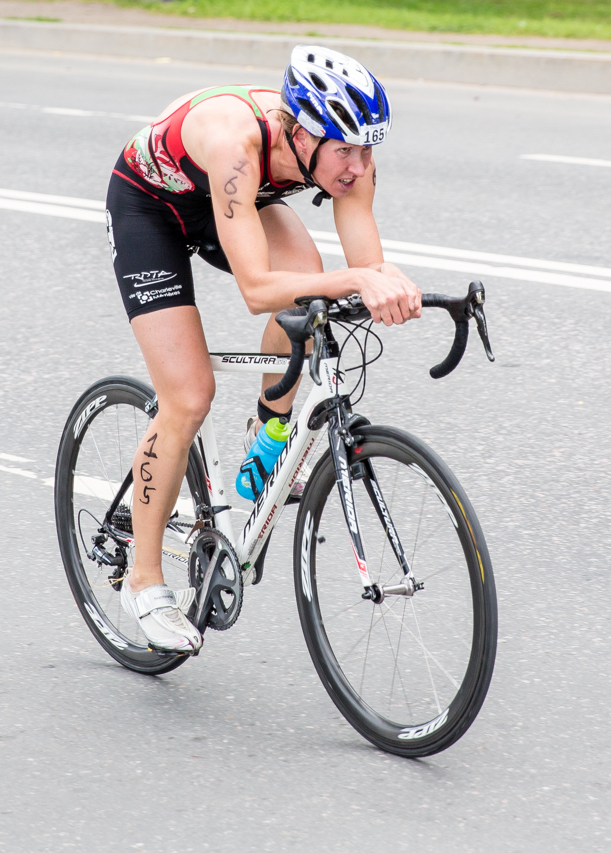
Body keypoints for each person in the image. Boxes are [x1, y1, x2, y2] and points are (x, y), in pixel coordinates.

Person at [105, 45, 423, 652]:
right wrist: (359, 280)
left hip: (232, 202)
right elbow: (256, 290)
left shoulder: (348, 155)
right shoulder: (235, 145)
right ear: (301, 134)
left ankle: (268, 431)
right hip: (152, 208)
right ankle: (143, 579)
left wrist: (393, 286)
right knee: (188, 396)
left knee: (308, 283)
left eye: (367, 150)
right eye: (345, 150)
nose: (359, 166)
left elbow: (365, 262)